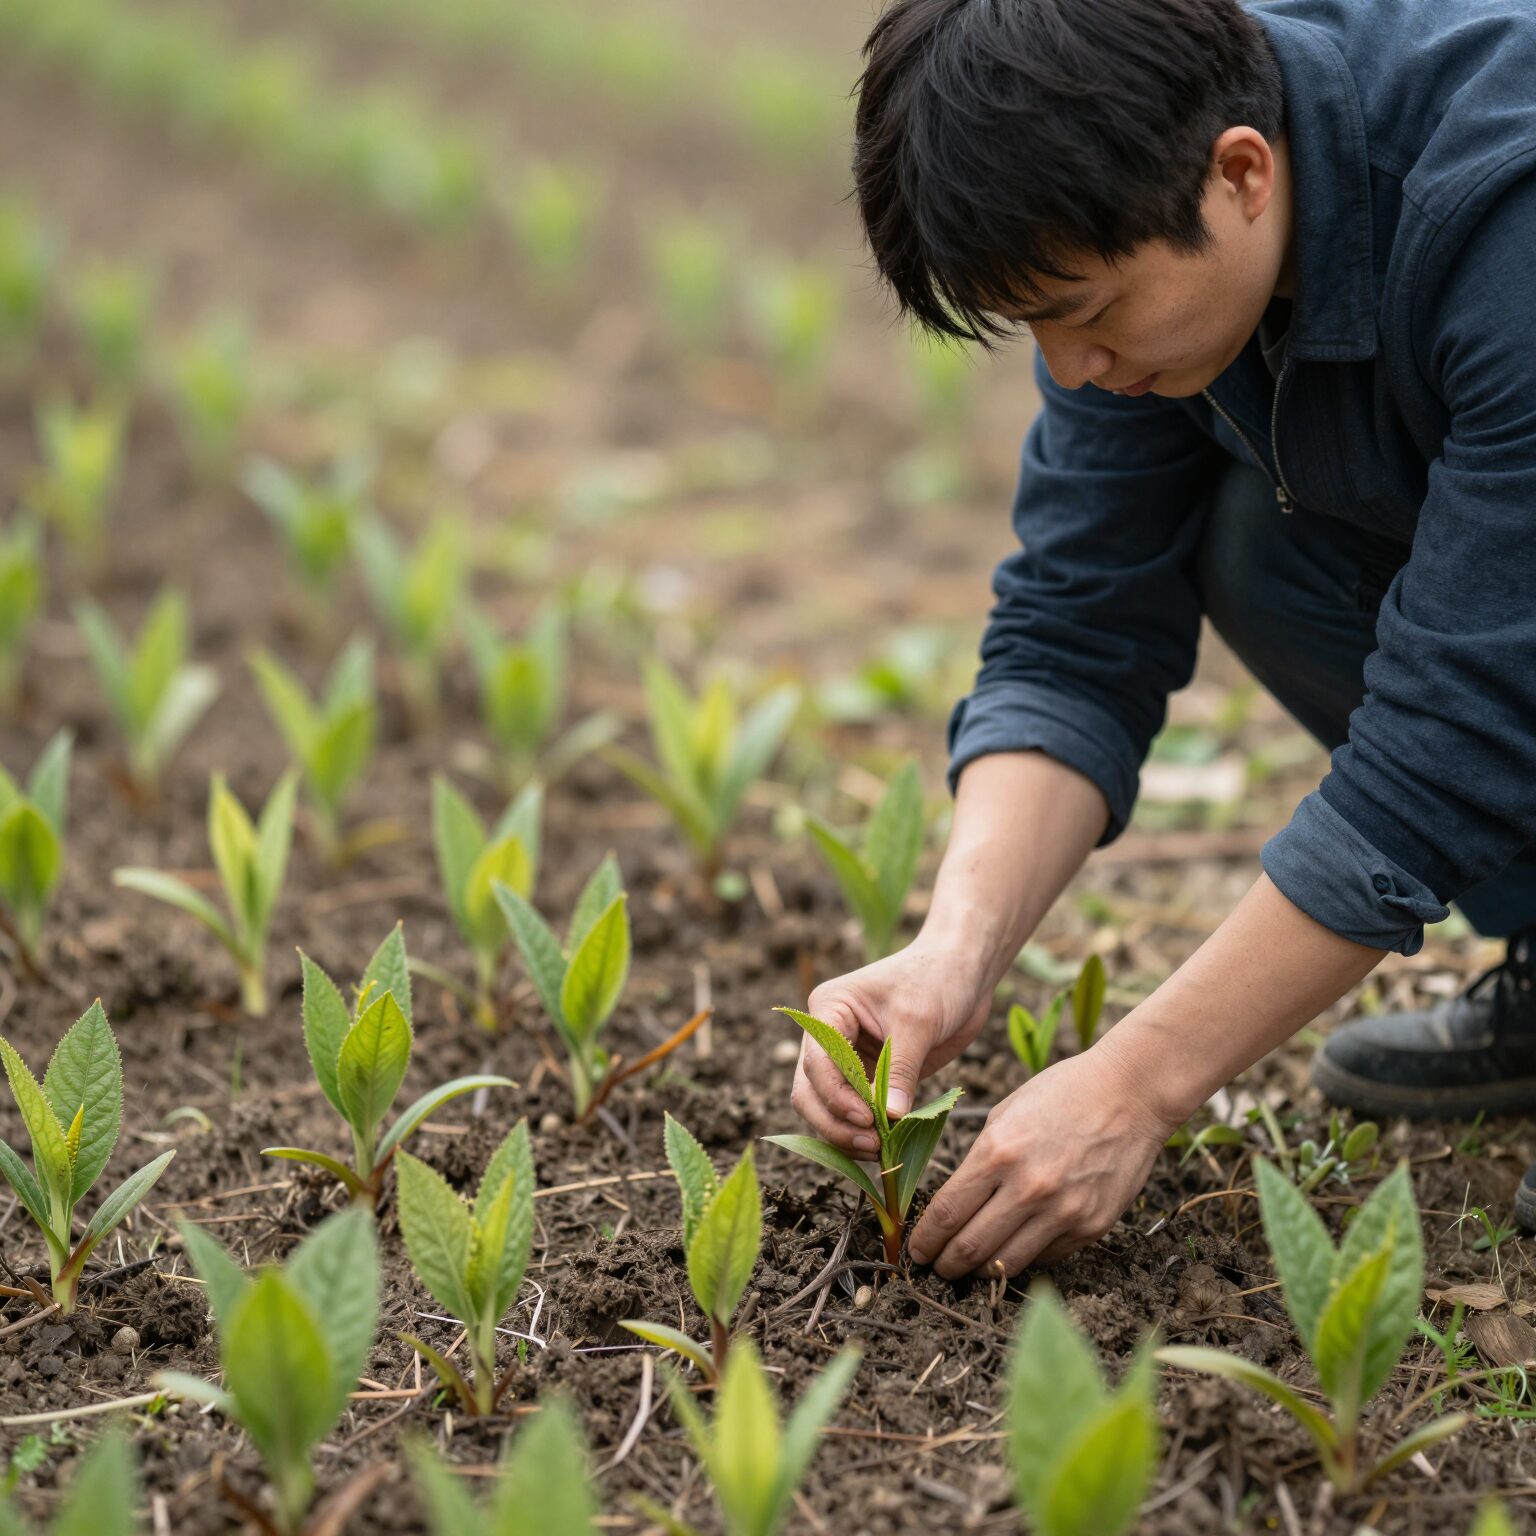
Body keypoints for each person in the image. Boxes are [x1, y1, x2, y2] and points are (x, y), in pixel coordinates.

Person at [790, 0, 1536, 1281]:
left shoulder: (1500, 213)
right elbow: (1079, 622)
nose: (1069, 369)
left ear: (1242, 173)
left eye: (1083, 312)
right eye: (1031, 327)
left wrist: (1137, 1082)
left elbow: (1462, 716)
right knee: (1261, 541)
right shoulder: (1140, 215)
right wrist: (953, 950)